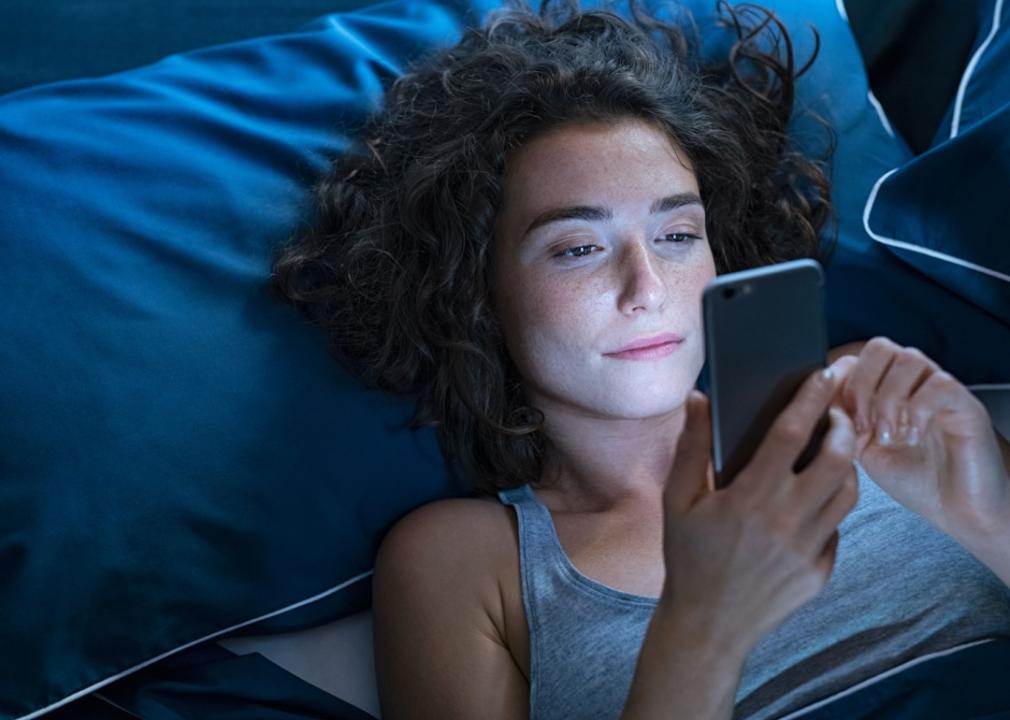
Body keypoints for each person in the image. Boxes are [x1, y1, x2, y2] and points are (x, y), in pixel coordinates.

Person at [269, 0, 1010, 717]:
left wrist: (988, 516)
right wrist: (705, 627)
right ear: (476, 292)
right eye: (580, 249)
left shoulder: (874, 402)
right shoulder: (464, 565)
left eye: (678, 235)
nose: (647, 288)